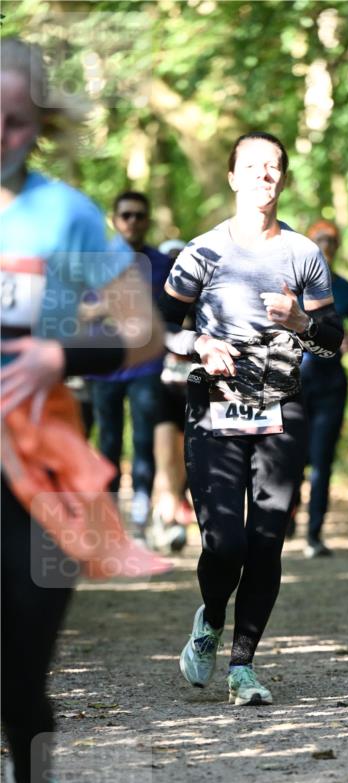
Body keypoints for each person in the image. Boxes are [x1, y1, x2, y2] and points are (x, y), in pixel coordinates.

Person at [0, 37, 165, 783]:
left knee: (19, 671)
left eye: (16, 121)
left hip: (42, 472)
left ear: (40, 126)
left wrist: (58, 356)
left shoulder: (64, 214)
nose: (0, 135)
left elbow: (142, 329)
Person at [161, 130, 343, 706]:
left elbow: (333, 343)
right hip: (214, 407)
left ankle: (243, 666)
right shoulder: (202, 253)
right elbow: (156, 329)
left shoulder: (303, 255)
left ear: (283, 179)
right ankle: (211, 617)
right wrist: (198, 346)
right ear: (233, 177)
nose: (265, 175)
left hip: (281, 407)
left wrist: (301, 324)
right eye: (253, 166)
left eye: (275, 167)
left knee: (267, 542)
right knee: (225, 542)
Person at [88, 191, 172, 538]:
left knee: (142, 442)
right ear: (114, 219)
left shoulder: (162, 264)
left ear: (148, 219)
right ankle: (108, 521)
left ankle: (139, 518)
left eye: (139, 215)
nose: (132, 221)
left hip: (146, 367)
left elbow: (173, 313)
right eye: (126, 215)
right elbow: (79, 311)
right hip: (103, 366)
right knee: (107, 443)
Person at [291, 220, 348, 558]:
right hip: (292, 382)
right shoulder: (292, 286)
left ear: (337, 246)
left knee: (322, 461)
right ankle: (287, 514)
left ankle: (314, 535)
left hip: (330, 385)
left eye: (331, 240)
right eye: (318, 239)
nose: (325, 245)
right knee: (291, 457)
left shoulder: (347, 291)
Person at [150, 238, 193, 553]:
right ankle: (166, 521)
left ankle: (173, 516)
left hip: (196, 387)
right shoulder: (154, 301)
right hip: (162, 386)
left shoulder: (203, 298)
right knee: (166, 458)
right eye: (170, 259)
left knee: (188, 461)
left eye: (181, 259)